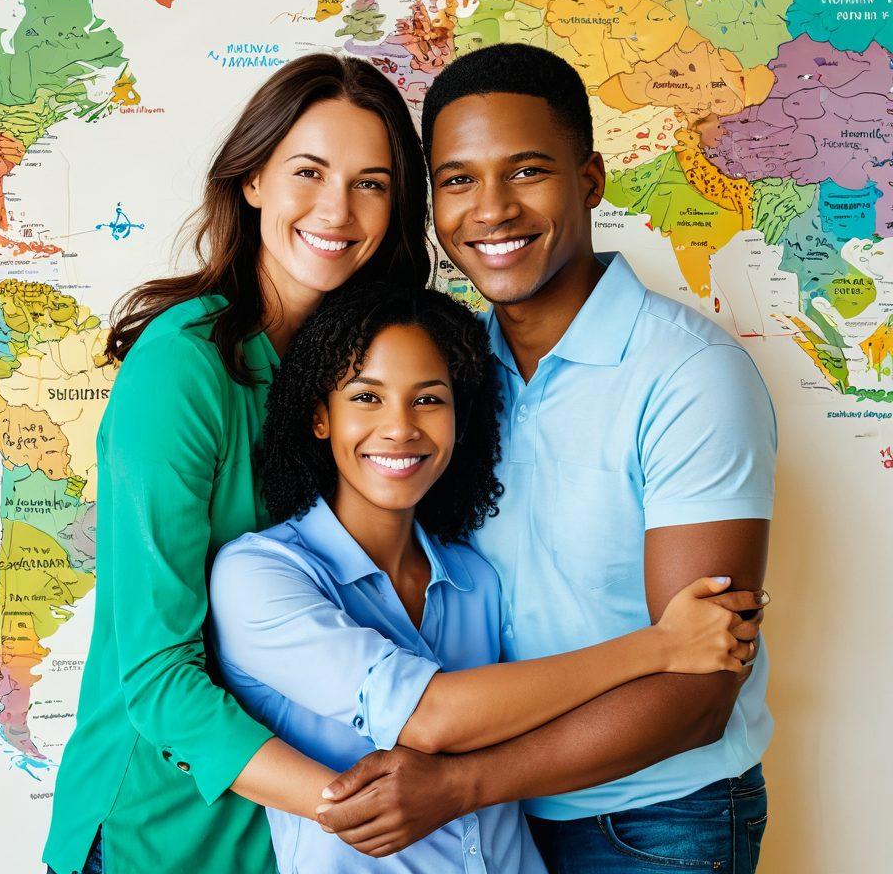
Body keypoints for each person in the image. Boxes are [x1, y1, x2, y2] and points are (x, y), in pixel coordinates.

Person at [316, 43, 776, 874]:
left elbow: (703, 687)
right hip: (494, 828)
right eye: (458, 179)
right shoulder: (441, 381)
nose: (491, 210)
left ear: (590, 180)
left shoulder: (689, 375)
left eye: (526, 171)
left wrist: (462, 785)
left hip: (655, 819)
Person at [211, 283, 764, 874]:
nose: (400, 428)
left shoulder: (476, 580)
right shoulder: (260, 575)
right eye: (366, 398)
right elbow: (429, 717)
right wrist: (662, 644)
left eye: (429, 400)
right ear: (321, 417)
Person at [42, 53, 432, 874]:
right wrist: (362, 809)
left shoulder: (379, 378)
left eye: (372, 183)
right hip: (164, 830)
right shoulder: (184, 366)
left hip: (300, 843)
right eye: (310, 172)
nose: (339, 209)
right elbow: (156, 676)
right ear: (252, 178)